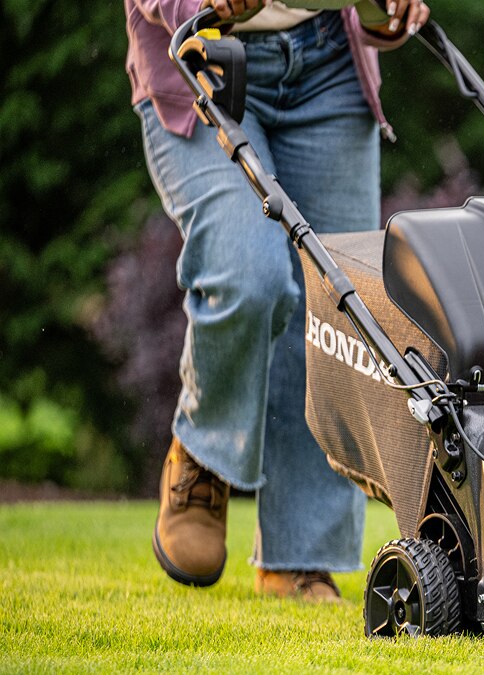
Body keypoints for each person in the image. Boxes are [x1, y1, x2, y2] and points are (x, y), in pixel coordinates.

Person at [124, 0, 429, 601]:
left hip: (330, 66)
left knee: (334, 307)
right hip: (202, 54)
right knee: (250, 276)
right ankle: (203, 453)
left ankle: (299, 556)